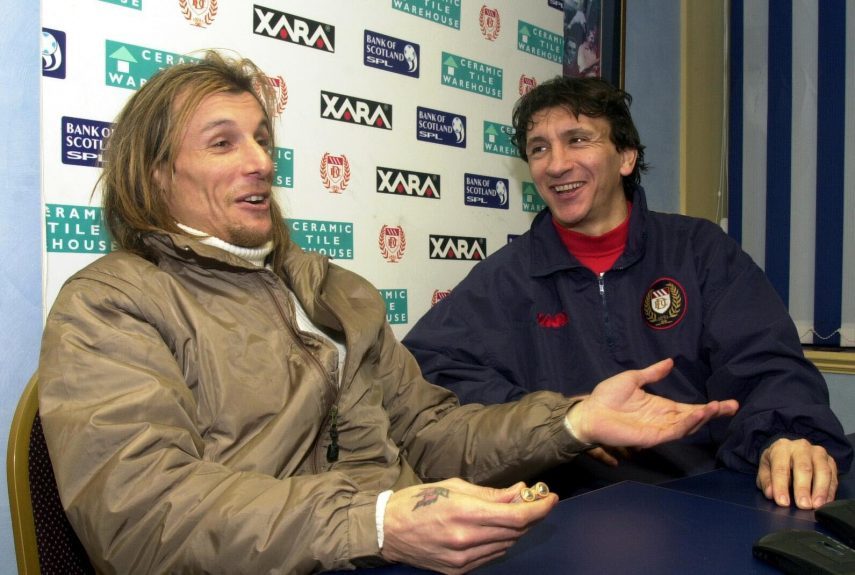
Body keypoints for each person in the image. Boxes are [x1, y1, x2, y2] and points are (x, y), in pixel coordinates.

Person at [37, 53, 738, 574]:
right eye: (224, 143)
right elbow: (137, 514)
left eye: (261, 139)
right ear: (156, 172)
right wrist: (373, 520)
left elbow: (429, 431)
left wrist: (572, 419)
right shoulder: (109, 304)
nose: (259, 161)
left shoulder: (338, 292)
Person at [403, 75, 853, 510]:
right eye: (539, 148)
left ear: (626, 158)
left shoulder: (699, 252)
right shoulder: (506, 277)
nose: (556, 164)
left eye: (577, 140)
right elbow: (427, 376)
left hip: (706, 498)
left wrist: (786, 437)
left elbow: (766, 364)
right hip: (565, 509)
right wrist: (558, 417)